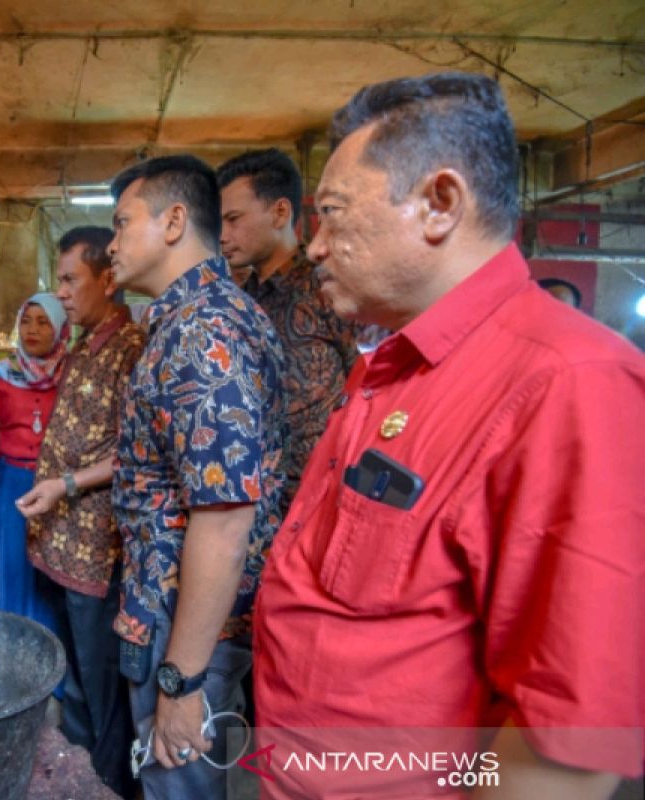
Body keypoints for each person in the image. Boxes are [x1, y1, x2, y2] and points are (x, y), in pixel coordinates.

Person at [253, 72, 645, 799]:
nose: (312, 248)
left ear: (439, 204)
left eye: (332, 214)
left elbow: (567, 753)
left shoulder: (568, 384)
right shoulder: (394, 363)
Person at [105, 155, 286, 799]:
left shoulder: (201, 329)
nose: (112, 242)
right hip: (176, 615)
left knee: (177, 784)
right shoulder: (200, 317)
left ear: (174, 221)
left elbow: (224, 515)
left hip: (182, 624)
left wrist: (180, 681)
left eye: (123, 223)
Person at [17, 226, 146, 798]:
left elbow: (137, 451)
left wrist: (65, 483)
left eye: (71, 280)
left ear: (108, 279)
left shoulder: (131, 350)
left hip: (98, 552)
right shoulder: (85, 344)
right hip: (62, 543)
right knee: (75, 678)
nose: (62, 293)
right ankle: (78, 773)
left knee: (101, 684)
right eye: (58, 281)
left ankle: (108, 783)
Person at [217, 148, 360, 515]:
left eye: (233, 219)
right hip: (256, 507)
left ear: (280, 212)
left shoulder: (328, 289)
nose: (222, 235)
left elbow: (363, 384)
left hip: (320, 503)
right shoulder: (241, 301)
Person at [0, 292, 69, 630]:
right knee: (11, 561)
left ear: (60, 329)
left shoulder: (73, 374)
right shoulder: (0, 374)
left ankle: (49, 661)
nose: (32, 329)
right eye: (26, 321)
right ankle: (9, 651)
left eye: (43, 321)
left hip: (56, 486)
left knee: (48, 568)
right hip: (9, 485)